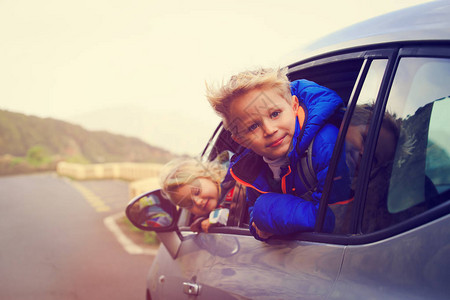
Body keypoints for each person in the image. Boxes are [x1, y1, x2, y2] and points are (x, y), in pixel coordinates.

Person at [206, 67, 350, 241]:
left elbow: (338, 219)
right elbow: (254, 218)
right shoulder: (252, 169)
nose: (269, 130)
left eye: (275, 114)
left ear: (294, 106)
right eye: (252, 127)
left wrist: (267, 212)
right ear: (241, 140)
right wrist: (259, 226)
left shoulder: (326, 145)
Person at [160, 157, 236, 233]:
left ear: (207, 174)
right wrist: (202, 221)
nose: (198, 202)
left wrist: (215, 219)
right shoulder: (204, 214)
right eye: (189, 204)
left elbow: (239, 215)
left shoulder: (236, 180)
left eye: (197, 192)